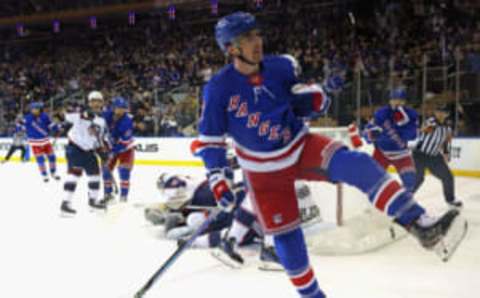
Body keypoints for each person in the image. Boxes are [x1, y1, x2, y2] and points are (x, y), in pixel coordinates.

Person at [191, 12, 463, 298]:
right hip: (262, 173)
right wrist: (217, 178)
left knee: (359, 164)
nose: (257, 41)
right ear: (231, 48)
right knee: (287, 237)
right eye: (247, 38)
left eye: (256, 34)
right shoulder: (218, 88)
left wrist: (318, 97)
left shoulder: (281, 67)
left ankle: (418, 223)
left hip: (299, 146)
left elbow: (301, 101)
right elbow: (210, 139)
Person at [58, 91, 110, 215]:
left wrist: (102, 151)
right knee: (74, 175)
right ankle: (65, 204)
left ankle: (93, 202)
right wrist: (78, 112)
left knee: (95, 175)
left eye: (98, 101)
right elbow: (63, 116)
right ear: (89, 102)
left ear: (102, 103)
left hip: (89, 151)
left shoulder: (101, 121)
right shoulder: (80, 114)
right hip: (75, 148)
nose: (96, 103)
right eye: (93, 101)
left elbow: (99, 139)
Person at [363, 88, 418, 192]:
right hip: (381, 153)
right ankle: (370, 203)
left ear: (404, 101)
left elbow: (413, 135)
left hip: (402, 154)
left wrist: (401, 126)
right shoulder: (381, 113)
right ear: (389, 100)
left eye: (400, 100)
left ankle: (401, 202)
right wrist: (371, 135)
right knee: (372, 181)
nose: (397, 102)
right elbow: (367, 131)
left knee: (410, 182)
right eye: (394, 99)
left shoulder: (411, 114)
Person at [413, 104, 462, 207]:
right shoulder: (430, 121)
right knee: (418, 178)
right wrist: (432, 126)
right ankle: (405, 199)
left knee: (448, 177)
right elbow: (423, 131)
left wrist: (446, 154)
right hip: (419, 155)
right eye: (438, 111)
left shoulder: (447, 128)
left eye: (443, 112)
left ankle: (450, 200)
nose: (440, 114)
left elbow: (446, 142)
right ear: (435, 112)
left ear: (447, 114)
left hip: (434, 156)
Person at [101, 96, 135, 203]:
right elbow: (97, 121)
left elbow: (124, 142)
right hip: (111, 146)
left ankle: (123, 196)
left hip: (126, 149)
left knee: (124, 171)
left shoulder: (127, 121)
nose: (120, 110)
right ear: (113, 108)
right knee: (106, 170)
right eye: (118, 108)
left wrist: (112, 152)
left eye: (123, 108)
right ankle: (108, 194)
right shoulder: (107, 115)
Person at [23, 101, 60, 182]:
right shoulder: (27, 118)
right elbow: (22, 127)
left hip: (46, 142)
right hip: (35, 143)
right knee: (40, 159)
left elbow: (49, 125)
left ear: (40, 109)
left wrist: (56, 127)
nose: (34, 110)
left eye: (36, 109)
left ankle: (53, 173)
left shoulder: (45, 116)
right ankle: (44, 175)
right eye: (32, 109)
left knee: (52, 157)